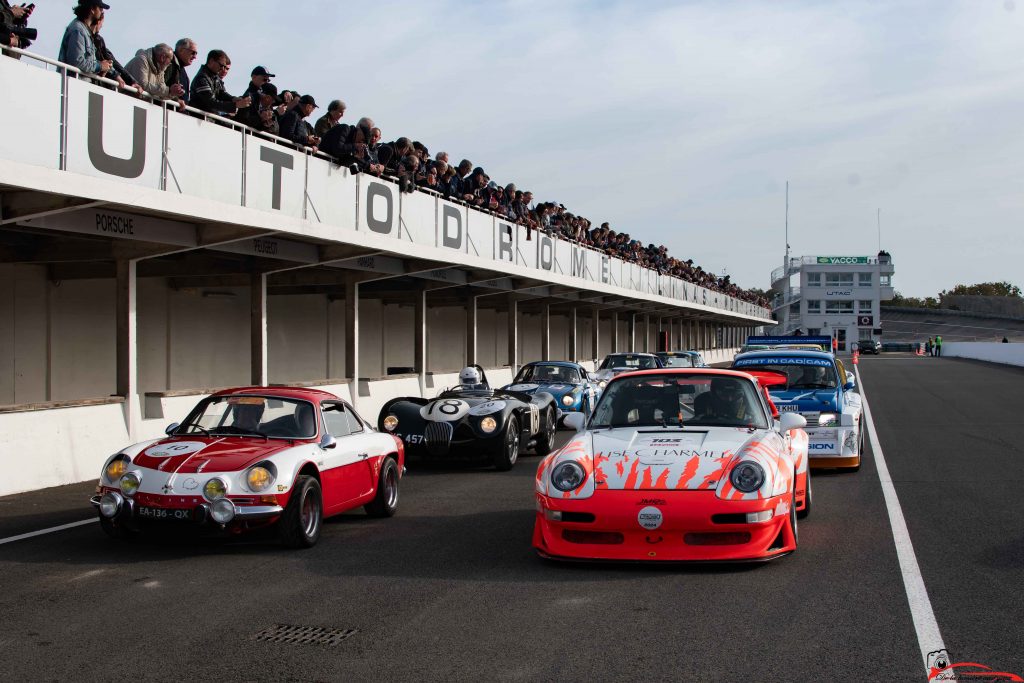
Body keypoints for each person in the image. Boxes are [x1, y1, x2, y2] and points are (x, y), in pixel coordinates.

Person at [58, 0, 110, 76]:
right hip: (74, 84)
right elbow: (77, 61)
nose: (102, 11)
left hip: (80, 84)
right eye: (100, 7)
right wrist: (100, 66)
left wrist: (101, 69)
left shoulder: (84, 30)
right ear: (92, 9)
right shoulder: (78, 30)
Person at [190, 49, 250, 115]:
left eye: (225, 67)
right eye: (221, 65)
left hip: (207, 119)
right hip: (198, 118)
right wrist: (235, 105)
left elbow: (221, 93)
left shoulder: (214, 78)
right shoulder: (201, 78)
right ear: (211, 61)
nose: (223, 69)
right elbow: (211, 102)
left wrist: (234, 99)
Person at [164, 38, 196, 104]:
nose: (195, 57)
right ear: (181, 50)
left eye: (196, 54)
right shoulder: (169, 64)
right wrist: (175, 100)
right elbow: (160, 86)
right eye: (193, 53)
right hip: (165, 110)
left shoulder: (180, 68)